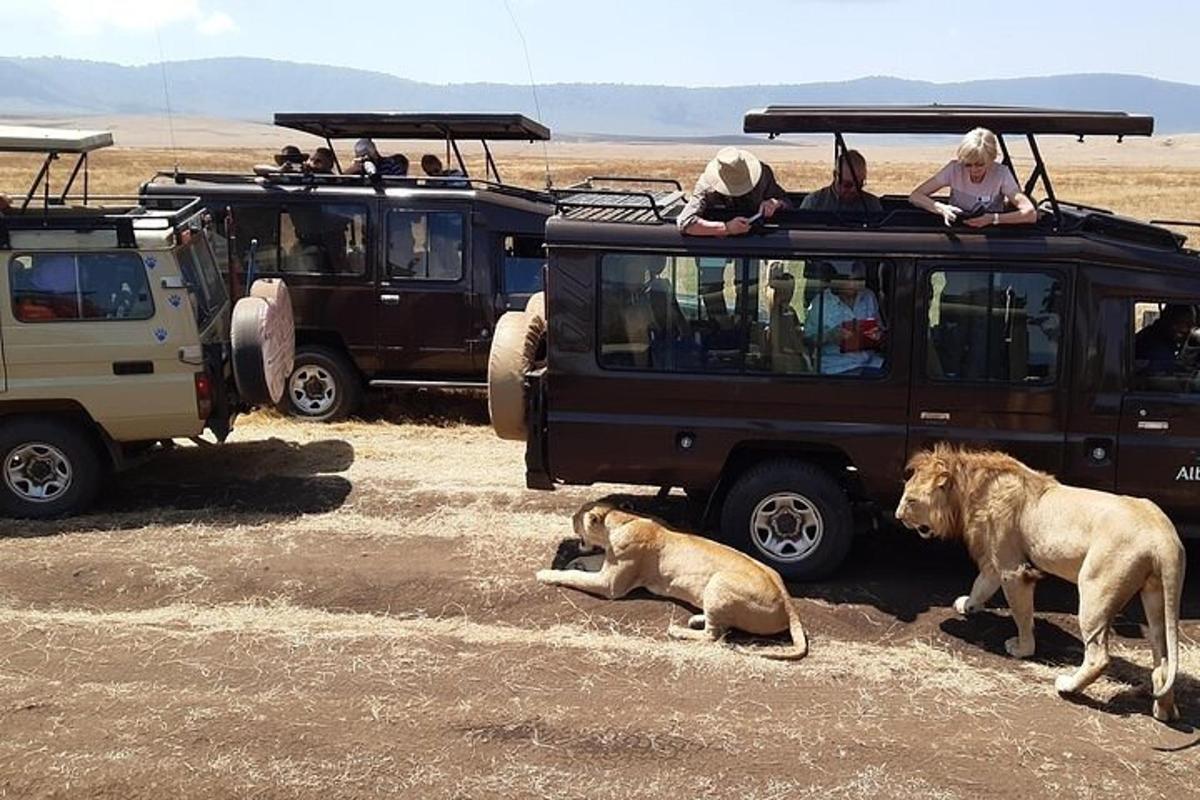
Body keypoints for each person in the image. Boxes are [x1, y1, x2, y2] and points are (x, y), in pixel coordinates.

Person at [909, 127, 1037, 228]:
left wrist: (993, 219)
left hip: (990, 233)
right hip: (957, 228)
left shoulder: (1001, 174)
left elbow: (1030, 213)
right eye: (968, 165)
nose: (973, 170)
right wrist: (941, 208)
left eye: (979, 165)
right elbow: (916, 195)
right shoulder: (954, 169)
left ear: (992, 159)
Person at [678, 147, 790, 237]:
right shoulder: (707, 185)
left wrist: (775, 204)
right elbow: (685, 222)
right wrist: (726, 228)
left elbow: (787, 202)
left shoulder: (762, 175)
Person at [804, 261, 885, 375]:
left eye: (859, 280)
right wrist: (830, 336)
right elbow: (807, 340)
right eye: (851, 280)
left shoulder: (868, 296)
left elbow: (881, 329)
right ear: (838, 281)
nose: (856, 284)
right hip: (837, 367)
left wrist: (878, 335)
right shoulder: (821, 303)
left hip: (871, 362)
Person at [800, 150, 882, 214]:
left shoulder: (872, 205)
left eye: (859, 184)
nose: (854, 190)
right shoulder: (814, 203)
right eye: (847, 185)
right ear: (835, 175)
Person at [1135, 304, 1196, 375]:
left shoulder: (1159, 336)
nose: (1185, 330)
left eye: (1190, 325)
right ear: (1167, 319)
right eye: (1180, 323)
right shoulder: (1151, 343)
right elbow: (1165, 374)